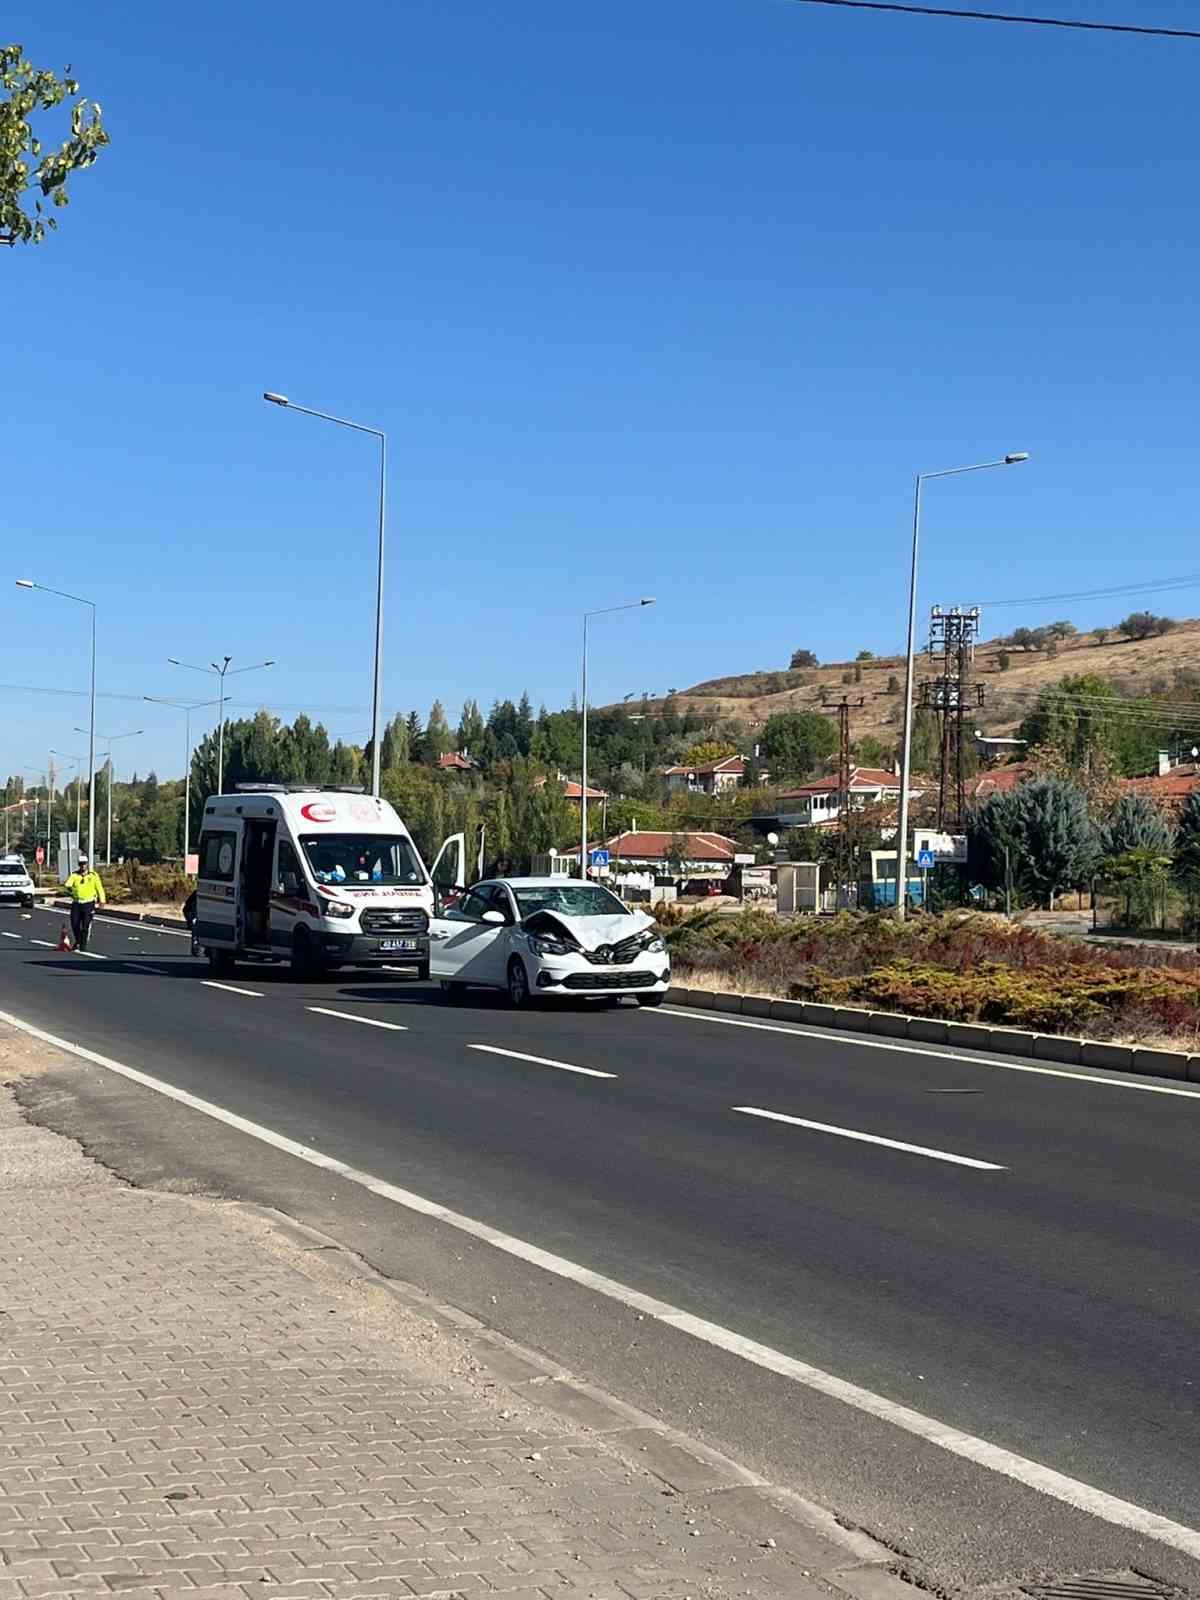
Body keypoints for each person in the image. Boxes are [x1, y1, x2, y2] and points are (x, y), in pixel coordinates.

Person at [64, 853, 106, 952]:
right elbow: (67, 885)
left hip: (88, 903)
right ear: (79, 864)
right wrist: (71, 890)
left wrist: (102, 901)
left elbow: (99, 888)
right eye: (81, 864)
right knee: (74, 923)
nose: (83, 866)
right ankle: (78, 940)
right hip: (77, 903)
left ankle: (83, 946)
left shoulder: (93, 876)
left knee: (85, 925)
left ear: (87, 864)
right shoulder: (74, 875)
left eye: (84, 864)